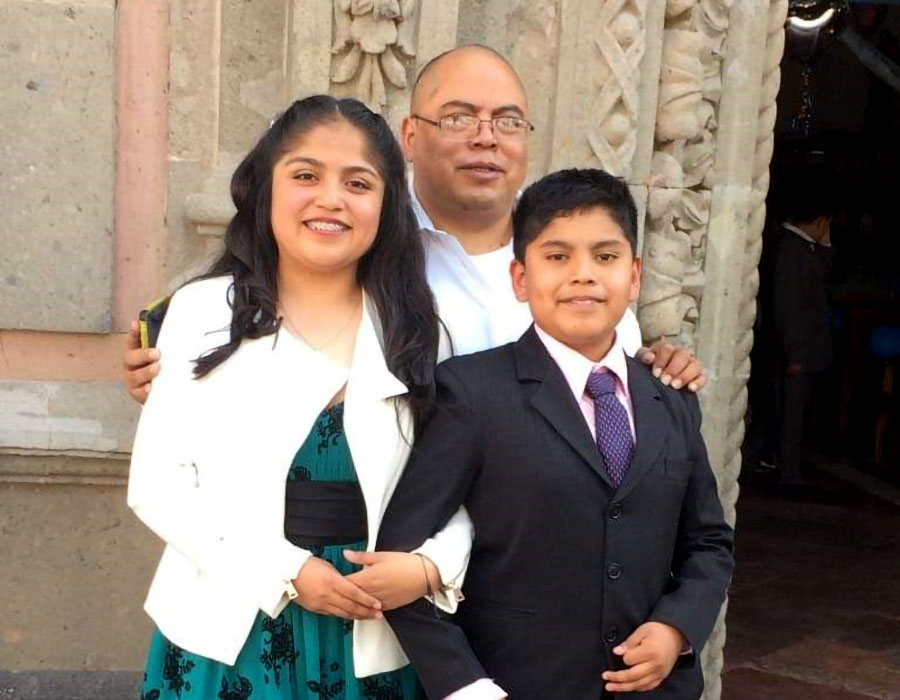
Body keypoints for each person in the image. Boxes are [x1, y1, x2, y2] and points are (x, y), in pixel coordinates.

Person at [128, 95, 475, 699]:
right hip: (227, 630)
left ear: (387, 204)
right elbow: (159, 487)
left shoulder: (420, 330)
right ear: (266, 188)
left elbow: (467, 484)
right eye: (306, 175)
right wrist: (288, 572)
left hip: (377, 629)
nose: (331, 199)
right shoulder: (202, 313)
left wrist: (432, 568)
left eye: (358, 183)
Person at [123, 45, 706, 404]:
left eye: (507, 121)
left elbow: (607, 382)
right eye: (458, 117)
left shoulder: (570, 252)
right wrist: (181, 369)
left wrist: (652, 370)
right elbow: (247, 320)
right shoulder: (357, 235)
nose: (486, 137)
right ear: (410, 135)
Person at [377, 169, 735, 700]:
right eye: (558, 256)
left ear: (635, 276)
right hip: (514, 685)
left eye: (605, 256)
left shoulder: (671, 398)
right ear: (520, 278)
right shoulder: (471, 393)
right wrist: (467, 687)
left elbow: (708, 541)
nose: (583, 275)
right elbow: (398, 559)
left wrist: (677, 627)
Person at [755, 171, 834, 487]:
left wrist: (825, 246)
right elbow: (788, 307)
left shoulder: (801, 249)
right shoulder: (791, 251)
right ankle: (787, 472)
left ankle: (774, 462)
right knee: (789, 414)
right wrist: (795, 355)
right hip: (791, 352)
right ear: (819, 220)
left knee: (783, 412)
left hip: (795, 351)